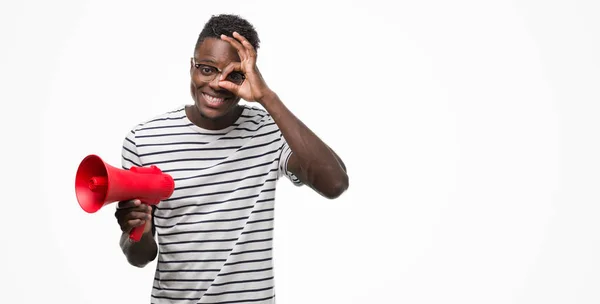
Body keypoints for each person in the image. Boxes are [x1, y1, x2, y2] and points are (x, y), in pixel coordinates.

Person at [114, 14, 348, 303]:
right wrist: (139, 231)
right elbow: (139, 257)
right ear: (191, 67)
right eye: (207, 69)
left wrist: (266, 97)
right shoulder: (144, 140)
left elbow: (335, 183)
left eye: (234, 74)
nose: (217, 84)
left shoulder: (270, 130)